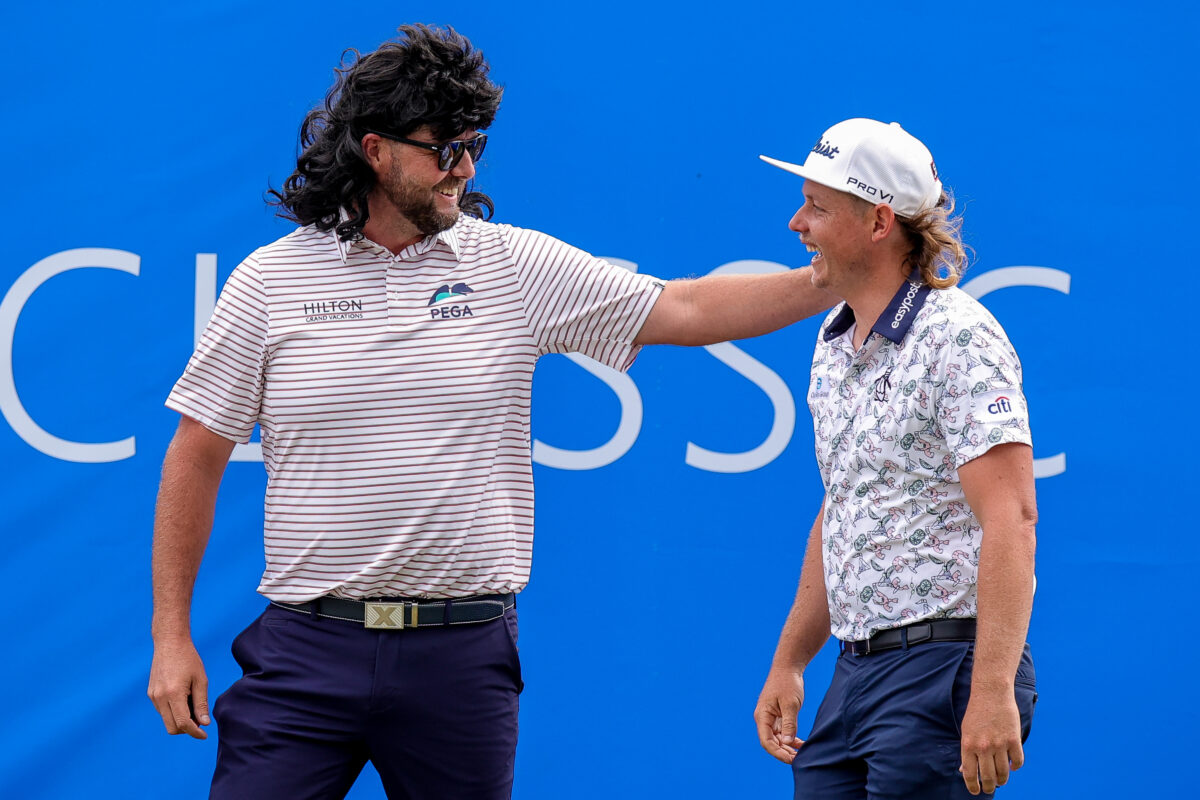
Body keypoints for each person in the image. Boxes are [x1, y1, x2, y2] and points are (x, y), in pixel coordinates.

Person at [147, 24, 835, 800]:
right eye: (445, 148)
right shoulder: (269, 280)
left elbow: (683, 307)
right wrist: (171, 635)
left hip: (460, 656)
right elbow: (195, 452)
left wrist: (824, 282)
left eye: (475, 145)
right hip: (307, 647)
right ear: (375, 150)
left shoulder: (509, 263)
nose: (464, 168)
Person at [752, 118, 1038, 799]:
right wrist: (792, 662)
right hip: (856, 676)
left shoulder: (960, 336)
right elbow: (845, 503)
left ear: (879, 223)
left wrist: (993, 689)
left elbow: (1013, 516)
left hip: (944, 671)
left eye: (818, 207)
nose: (798, 223)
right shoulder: (832, 342)